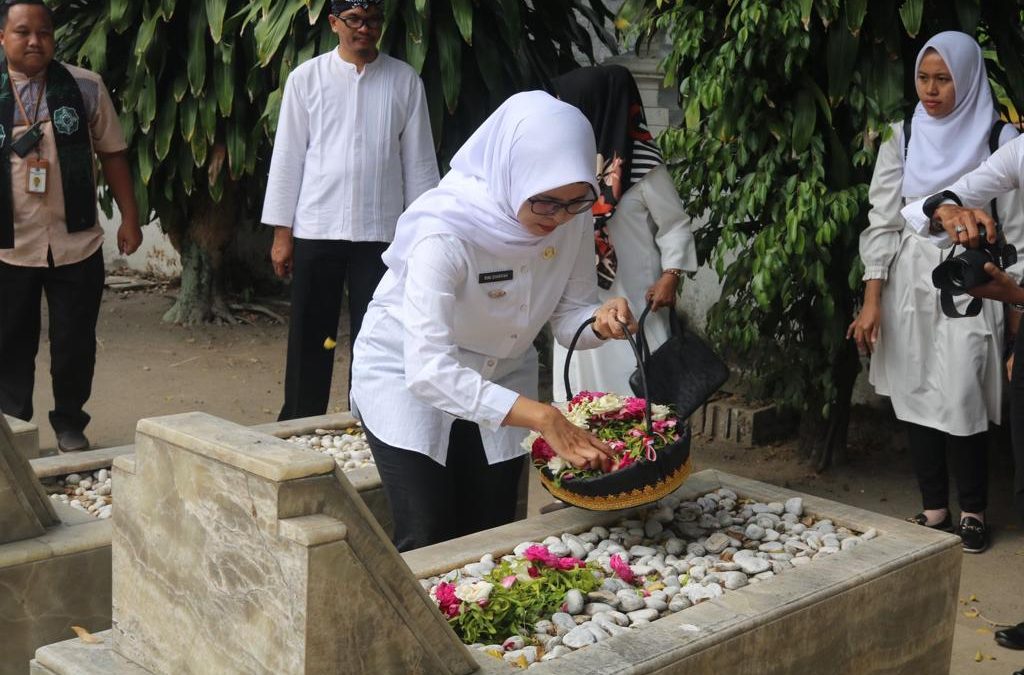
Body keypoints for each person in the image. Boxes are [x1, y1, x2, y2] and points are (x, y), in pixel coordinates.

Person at [350, 91, 636, 552]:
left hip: (503, 371)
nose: (559, 217)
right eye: (544, 202)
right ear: (512, 176)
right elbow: (428, 371)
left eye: (576, 201)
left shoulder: (572, 219)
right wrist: (543, 417)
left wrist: (600, 321)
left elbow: (569, 316)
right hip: (407, 377)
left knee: (496, 531)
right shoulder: (444, 233)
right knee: (428, 534)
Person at [847, 31, 1024, 554]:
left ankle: (973, 511)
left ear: (967, 80)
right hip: (909, 283)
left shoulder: (1001, 141)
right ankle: (934, 508)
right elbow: (883, 221)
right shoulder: (902, 136)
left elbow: (1016, 229)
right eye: (924, 78)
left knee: (963, 391)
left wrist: (1015, 313)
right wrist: (873, 298)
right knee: (917, 387)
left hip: (978, 284)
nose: (931, 89)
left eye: (944, 79)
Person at [261, 0, 439, 421]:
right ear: (334, 23)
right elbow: (288, 158)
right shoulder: (306, 79)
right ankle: (301, 421)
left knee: (377, 333)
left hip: (382, 234)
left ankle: (371, 418)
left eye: (373, 20)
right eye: (354, 20)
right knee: (309, 330)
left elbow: (419, 165)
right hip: (317, 227)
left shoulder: (404, 81)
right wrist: (282, 234)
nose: (364, 28)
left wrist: (423, 238)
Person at [0, 0, 141, 453]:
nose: (34, 41)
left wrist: (130, 218)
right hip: (8, 247)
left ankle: (69, 424)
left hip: (75, 242)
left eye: (43, 32)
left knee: (74, 343)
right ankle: (12, 432)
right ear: (2, 37)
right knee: (8, 344)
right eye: (22, 32)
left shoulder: (84, 87)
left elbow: (113, 153)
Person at [550, 65, 697, 399]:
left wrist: (671, 275)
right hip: (581, 299)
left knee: (639, 392)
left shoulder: (643, 164)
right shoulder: (570, 161)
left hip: (636, 299)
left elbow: (674, 222)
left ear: (595, 105)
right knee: (581, 383)